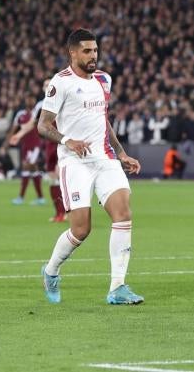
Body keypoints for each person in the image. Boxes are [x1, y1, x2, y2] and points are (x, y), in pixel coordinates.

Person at [37, 28, 144, 305]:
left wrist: (121, 153)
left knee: (123, 214)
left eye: (95, 50)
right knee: (81, 230)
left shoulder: (103, 80)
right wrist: (67, 140)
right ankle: (50, 271)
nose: (93, 55)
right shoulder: (60, 83)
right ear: (72, 52)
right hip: (75, 162)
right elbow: (43, 125)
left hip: (105, 158)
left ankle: (117, 287)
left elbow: (103, 119)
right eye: (87, 51)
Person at [8, 79, 66, 222]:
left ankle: (69, 210)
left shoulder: (63, 100)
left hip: (63, 143)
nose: (48, 87)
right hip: (49, 145)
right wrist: (18, 135)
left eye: (50, 84)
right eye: (46, 85)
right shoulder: (41, 105)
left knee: (62, 177)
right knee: (52, 178)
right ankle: (59, 213)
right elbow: (32, 124)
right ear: (42, 88)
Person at [6, 95, 45, 206]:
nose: (30, 100)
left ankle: (21, 198)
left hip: (35, 145)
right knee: (32, 169)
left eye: (32, 98)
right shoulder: (20, 114)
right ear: (25, 100)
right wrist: (8, 143)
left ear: (34, 100)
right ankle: (40, 198)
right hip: (25, 146)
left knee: (27, 166)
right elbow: (13, 129)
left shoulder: (38, 112)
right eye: (28, 98)